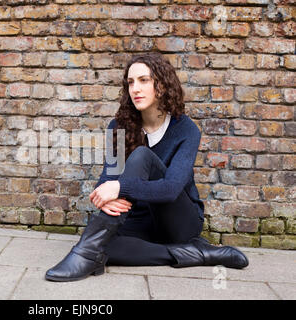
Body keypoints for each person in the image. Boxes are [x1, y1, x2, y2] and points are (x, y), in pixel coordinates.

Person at [45, 52, 248, 282]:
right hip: (139, 221)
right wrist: (106, 193)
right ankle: (199, 254)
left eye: (144, 80)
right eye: (130, 82)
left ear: (161, 84)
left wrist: (120, 188)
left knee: (143, 156)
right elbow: (107, 180)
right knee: (105, 245)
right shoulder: (119, 127)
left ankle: (85, 253)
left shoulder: (186, 130)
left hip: (178, 222)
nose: (135, 89)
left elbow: (170, 189)